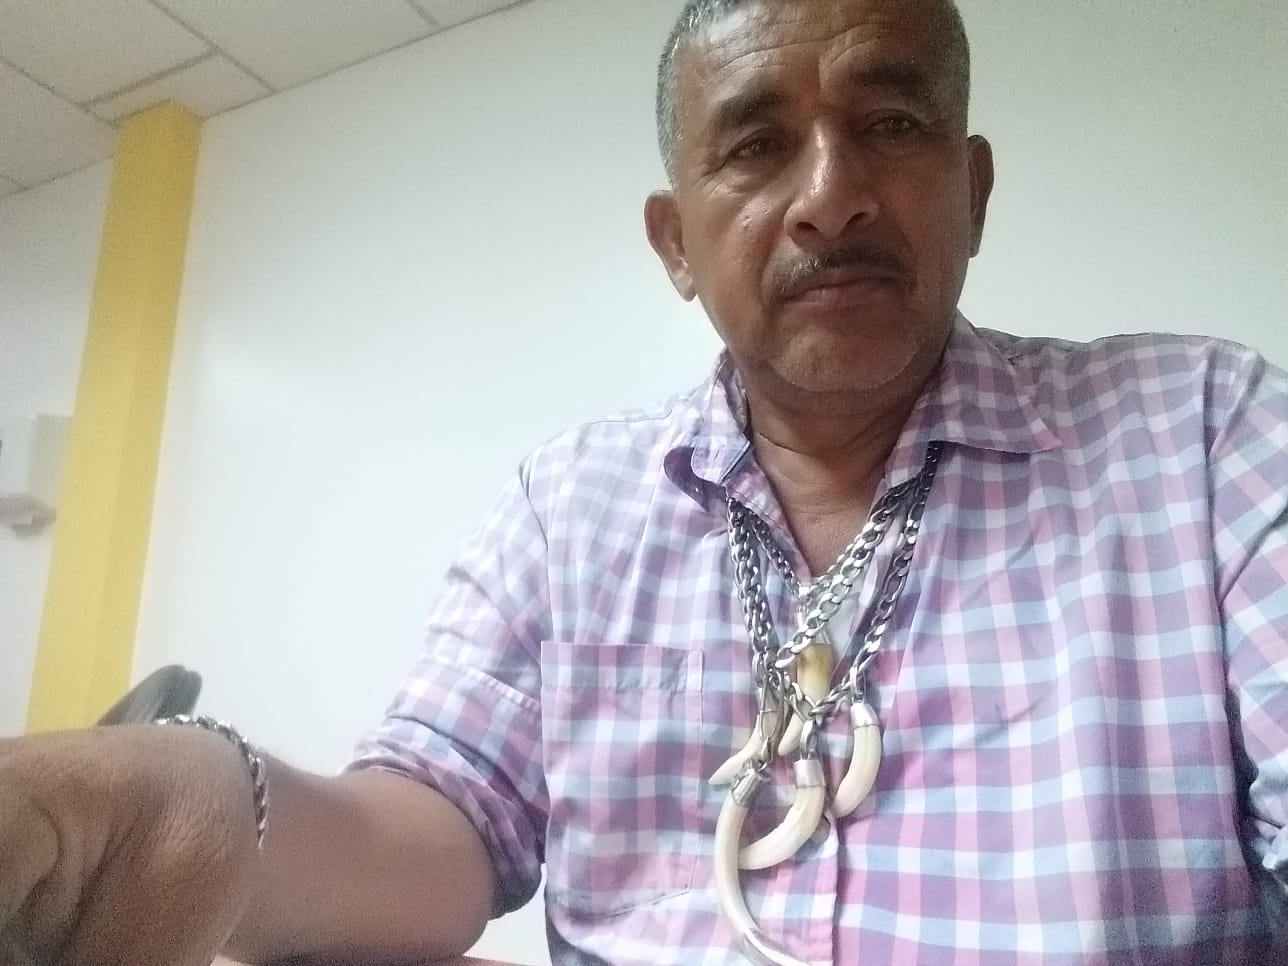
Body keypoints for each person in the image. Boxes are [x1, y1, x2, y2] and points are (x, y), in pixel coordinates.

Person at [1, 0, 1284, 963]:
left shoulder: (1204, 433)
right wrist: (179, 807)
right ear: (675, 242)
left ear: (973, 188)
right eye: (756, 147)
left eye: (891, 125)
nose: (830, 197)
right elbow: (433, 828)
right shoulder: (571, 507)